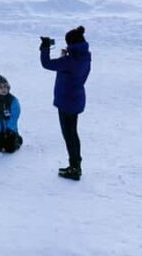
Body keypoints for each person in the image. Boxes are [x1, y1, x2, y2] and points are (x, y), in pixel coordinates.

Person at [40, 27, 91, 181]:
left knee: (69, 135)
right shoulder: (84, 57)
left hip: (66, 101)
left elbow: (46, 63)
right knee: (73, 133)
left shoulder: (69, 61)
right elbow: (72, 68)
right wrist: (66, 58)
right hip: (76, 98)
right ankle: (76, 165)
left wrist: (45, 47)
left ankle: (75, 168)